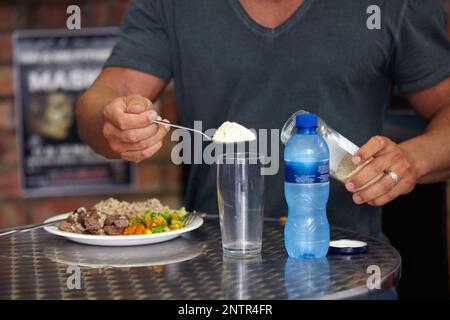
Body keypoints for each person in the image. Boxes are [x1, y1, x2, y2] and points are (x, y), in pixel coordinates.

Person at [77, 0, 450, 240]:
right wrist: (114, 121)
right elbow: (100, 103)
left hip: (349, 264)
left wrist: (412, 159)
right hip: (213, 270)